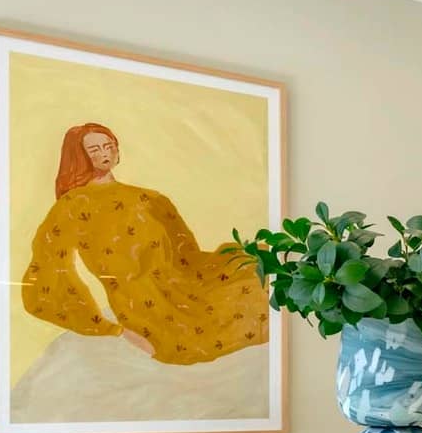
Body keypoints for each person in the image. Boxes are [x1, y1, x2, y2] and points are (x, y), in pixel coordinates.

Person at [19, 122, 268, 365]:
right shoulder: (71, 206)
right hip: (143, 312)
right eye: (95, 149)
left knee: (259, 265)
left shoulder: (150, 199)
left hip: (187, 290)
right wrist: (109, 328)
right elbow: (45, 277)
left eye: (109, 145)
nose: (106, 153)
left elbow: (188, 257)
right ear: (79, 156)